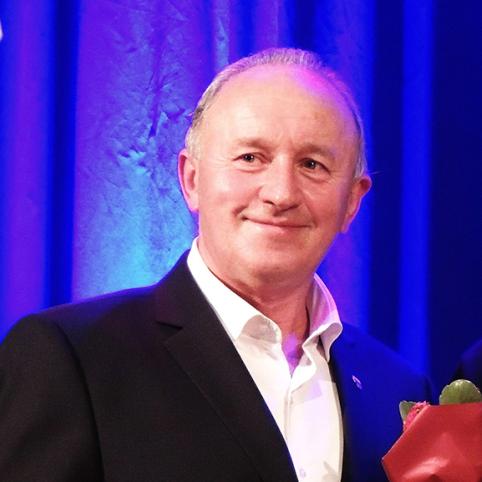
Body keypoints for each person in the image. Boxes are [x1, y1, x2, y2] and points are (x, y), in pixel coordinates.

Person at [0, 48, 431, 482]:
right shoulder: (72, 358)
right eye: (251, 158)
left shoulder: (398, 391)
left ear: (352, 201)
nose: (281, 193)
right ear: (191, 179)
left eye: (312, 164)